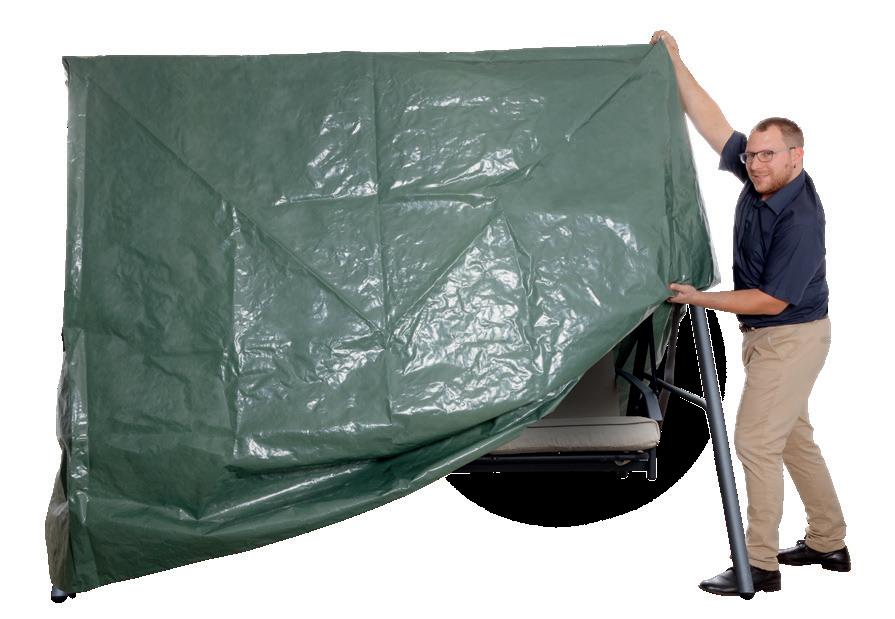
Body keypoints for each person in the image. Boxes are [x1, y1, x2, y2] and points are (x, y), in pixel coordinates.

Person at [649, 31, 849, 596]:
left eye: (768, 155)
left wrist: (698, 298)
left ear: (796, 157)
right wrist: (675, 62)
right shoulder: (760, 176)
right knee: (793, 439)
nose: (755, 164)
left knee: (756, 442)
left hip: (790, 336)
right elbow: (712, 122)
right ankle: (829, 542)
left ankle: (757, 564)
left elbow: (771, 300)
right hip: (772, 338)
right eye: (752, 155)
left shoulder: (800, 217)